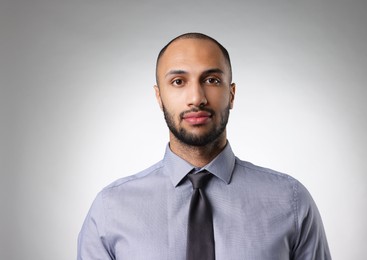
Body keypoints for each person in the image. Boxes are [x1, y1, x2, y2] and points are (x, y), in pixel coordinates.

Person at [78, 32, 331, 260]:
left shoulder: (291, 202)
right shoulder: (110, 209)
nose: (196, 98)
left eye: (211, 80)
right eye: (178, 81)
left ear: (231, 94)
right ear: (159, 97)